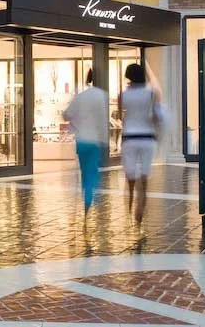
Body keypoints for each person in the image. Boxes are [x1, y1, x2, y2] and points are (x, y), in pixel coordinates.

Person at [119, 63, 166, 227]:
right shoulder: (152, 93)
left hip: (129, 138)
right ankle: (140, 215)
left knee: (129, 177)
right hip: (147, 138)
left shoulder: (123, 95)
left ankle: (129, 210)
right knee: (144, 178)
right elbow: (157, 116)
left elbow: (121, 116)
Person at [63, 68, 109, 217]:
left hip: (81, 139)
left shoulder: (81, 96)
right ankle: (90, 196)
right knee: (93, 170)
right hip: (95, 140)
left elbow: (66, 114)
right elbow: (103, 120)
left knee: (85, 171)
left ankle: (87, 201)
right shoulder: (102, 96)